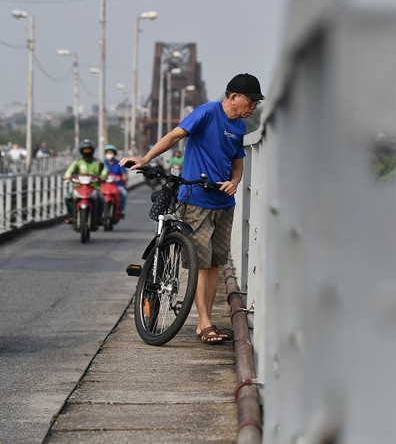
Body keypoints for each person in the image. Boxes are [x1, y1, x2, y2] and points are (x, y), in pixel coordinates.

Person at [122, 73, 263, 345]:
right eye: (251, 100)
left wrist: (235, 183)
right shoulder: (208, 112)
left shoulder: (239, 128)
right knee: (199, 262)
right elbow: (175, 136)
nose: (254, 106)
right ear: (233, 97)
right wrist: (145, 159)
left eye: (257, 102)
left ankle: (205, 321)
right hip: (197, 199)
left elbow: (237, 164)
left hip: (223, 202)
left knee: (214, 265)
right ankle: (205, 323)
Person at [64, 139, 108, 225]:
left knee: (101, 199)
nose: (87, 152)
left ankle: (99, 217)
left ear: (92, 151)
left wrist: (103, 176)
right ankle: (71, 215)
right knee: (68, 197)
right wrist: (68, 176)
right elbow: (69, 172)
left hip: (94, 188)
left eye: (89, 150)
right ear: (81, 151)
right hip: (79, 188)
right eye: (85, 150)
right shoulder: (77, 163)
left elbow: (104, 171)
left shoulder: (97, 162)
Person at [103, 145, 128, 218]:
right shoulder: (103, 164)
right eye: (108, 152)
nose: (109, 154)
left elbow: (124, 174)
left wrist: (124, 177)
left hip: (117, 186)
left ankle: (121, 210)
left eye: (111, 152)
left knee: (124, 193)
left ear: (114, 153)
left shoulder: (119, 164)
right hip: (105, 186)